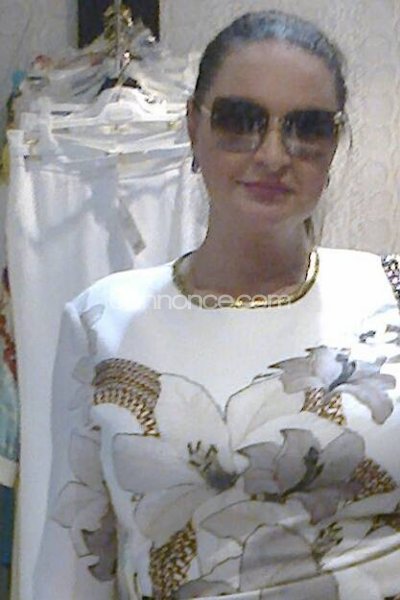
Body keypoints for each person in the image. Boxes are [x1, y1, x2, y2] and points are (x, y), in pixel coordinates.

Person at [34, 10, 400, 600]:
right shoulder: (103, 321)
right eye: (240, 120)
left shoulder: (390, 291)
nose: (274, 154)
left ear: (333, 144)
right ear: (193, 127)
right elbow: (73, 564)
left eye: (307, 127)